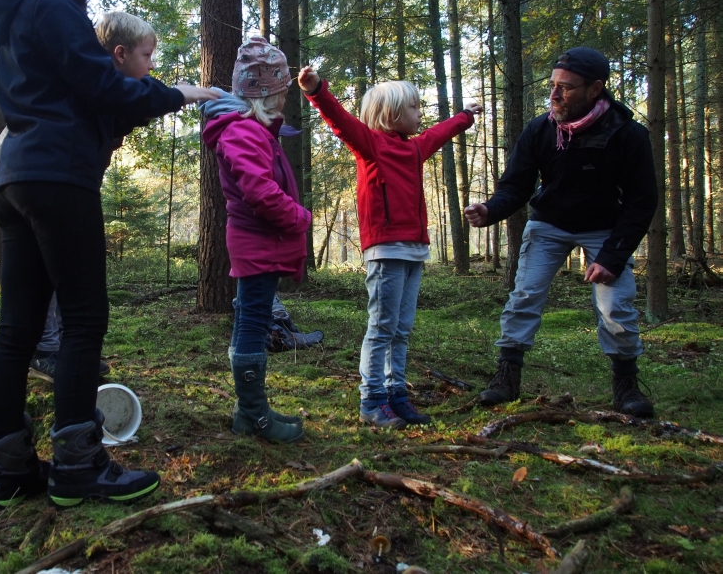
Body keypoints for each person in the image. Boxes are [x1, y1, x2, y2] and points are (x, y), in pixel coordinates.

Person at [0, 0, 218, 510]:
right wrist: (179, 93)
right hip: (57, 176)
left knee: (18, 327)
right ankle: (79, 466)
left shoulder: (11, 12)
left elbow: (71, 92)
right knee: (84, 320)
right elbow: (104, 87)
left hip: (13, 177)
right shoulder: (51, 7)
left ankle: (8, 469)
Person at [464, 47, 657, 417]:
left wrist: (613, 257)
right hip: (549, 224)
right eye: (552, 86)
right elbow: (516, 187)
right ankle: (506, 377)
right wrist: (490, 210)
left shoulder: (628, 135)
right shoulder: (540, 129)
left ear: (595, 89)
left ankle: (627, 385)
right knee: (524, 295)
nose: (554, 95)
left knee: (615, 306)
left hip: (606, 229)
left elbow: (641, 203)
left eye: (565, 88)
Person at [300, 66, 483, 429]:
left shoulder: (414, 149)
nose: (419, 114)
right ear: (392, 114)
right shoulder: (370, 144)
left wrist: (465, 117)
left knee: (402, 329)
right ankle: (372, 400)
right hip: (386, 250)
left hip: (415, 250)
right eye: (414, 108)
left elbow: (439, 133)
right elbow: (340, 121)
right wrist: (316, 90)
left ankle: (397, 394)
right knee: (382, 327)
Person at [28, 11, 163, 383]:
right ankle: (46, 349)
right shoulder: (92, 85)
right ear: (120, 53)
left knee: (61, 267)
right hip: (45, 181)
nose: (151, 64)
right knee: (55, 268)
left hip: (63, 181)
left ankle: (61, 348)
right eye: (147, 56)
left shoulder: (107, 90)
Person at [200, 37, 311, 443]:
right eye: (281, 92)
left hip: (261, 244)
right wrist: (299, 218)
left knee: (252, 319)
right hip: (257, 244)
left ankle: (251, 408)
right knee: (252, 322)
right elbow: (260, 193)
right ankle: (252, 413)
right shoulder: (243, 132)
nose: (285, 100)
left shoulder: (252, 130)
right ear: (267, 93)